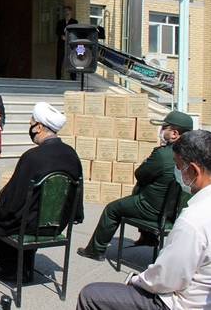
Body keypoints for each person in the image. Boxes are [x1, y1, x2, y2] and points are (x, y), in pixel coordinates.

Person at [76, 129, 211, 310]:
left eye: (179, 166)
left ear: (194, 170)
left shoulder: (193, 221)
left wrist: (136, 280)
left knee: (90, 295)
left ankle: (96, 250)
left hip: (183, 303)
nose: (177, 172)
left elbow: (165, 279)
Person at [0, 102, 83, 281]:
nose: (30, 127)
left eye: (31, 123)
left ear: (39, 127)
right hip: (58, 223)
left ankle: (10, 266)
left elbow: (12, 201)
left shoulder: (33, 157)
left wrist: (2, 204)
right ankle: (20, 264)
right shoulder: (72, 154)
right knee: (21, 213)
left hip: (30, 225)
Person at [77, 110, 193, 261]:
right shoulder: (193, 154)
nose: (161, 130)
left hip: (153, 209)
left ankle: (95, 250)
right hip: (176, 211)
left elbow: (140, 174)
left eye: (165, 127)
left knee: (112, 209)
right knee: (143, 192)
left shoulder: (163, 154)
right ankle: (148, 238)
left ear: (174, 134)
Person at [55, 6, 78, 80]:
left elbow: (76, 31)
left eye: (67, 11)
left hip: (70, 44)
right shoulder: (60, 22)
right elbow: (57, 31)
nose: (66, 12)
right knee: (59, 60)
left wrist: (69, 37)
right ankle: (58, 77)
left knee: (72, 60)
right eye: (65, 11)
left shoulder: (74, 22)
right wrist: (61, 36)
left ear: (71, 12)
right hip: (61, 44)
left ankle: (73, 77)